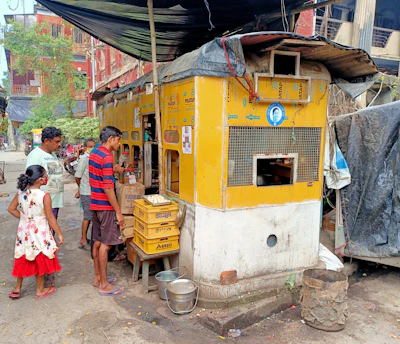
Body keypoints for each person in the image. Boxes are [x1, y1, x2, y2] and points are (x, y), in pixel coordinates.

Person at [8, 165, 64, 300]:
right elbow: (50, 217)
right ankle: (40, 289)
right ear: (40, 180)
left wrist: (25, 218)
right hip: (40, 231)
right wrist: (59, 234)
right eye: (45, 176)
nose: (46, 178)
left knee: (23, 254)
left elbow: (11, 209)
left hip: (24, 231)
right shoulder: (44, 195)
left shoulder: (20, 193)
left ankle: (17, 288)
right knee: (40, 256)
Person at [89, 126, 125, 296]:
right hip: (105, 206)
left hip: (94, 204)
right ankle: (104, 285)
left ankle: (98, 277)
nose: (119, 143)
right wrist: (118, 211)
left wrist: (113, 171)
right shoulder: (107, 156)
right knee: (106, 245)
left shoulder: (95, 152)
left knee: (97, 241)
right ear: (111, 139)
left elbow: (100, 177)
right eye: (118, 140)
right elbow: (108, 188)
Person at [26, 127, 64, 288]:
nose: (60, 144)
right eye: (56, 141)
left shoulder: (51, 154)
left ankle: (47, 271)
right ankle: (45, 275)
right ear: (46, 141)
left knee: (48, 238)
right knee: (44, 240)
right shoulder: (35, 156)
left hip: (54, 202)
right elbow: (29, 180)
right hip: (43, 206)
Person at [75, 138, 96, 250]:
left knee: (91, 216)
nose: (92, 148)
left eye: (94, 146)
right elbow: (77, 176)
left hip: (92, 191)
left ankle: (86, 238)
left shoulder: (94, 158)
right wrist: (80, 188)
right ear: (85, 147)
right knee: (87, 216)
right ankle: (83, 240)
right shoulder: (84, 158)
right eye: (90, 146)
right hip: (86, 191)